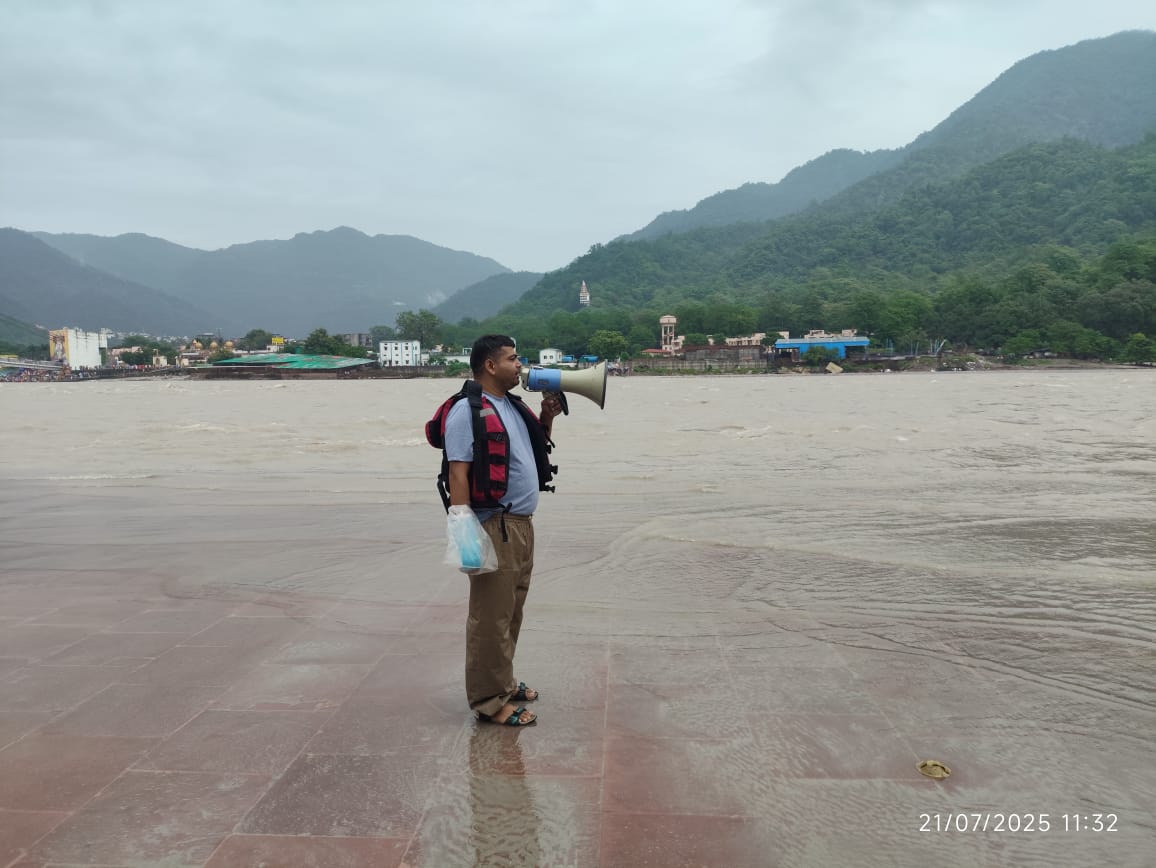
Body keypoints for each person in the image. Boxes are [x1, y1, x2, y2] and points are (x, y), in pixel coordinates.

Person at [443, 335, 562, 727]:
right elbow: (458, 473)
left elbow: (534, 450)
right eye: (513, 358)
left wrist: (546, 416)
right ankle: (489, 702)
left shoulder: (510, 405)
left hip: (520, 525)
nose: (520, 365)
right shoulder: (467, 411)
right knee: (490, 618)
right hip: (493, 524)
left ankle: (503, 682)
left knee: (510, 612)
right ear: (490, 366)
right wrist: (466, 537)